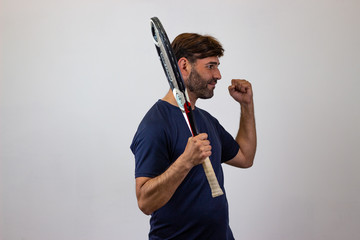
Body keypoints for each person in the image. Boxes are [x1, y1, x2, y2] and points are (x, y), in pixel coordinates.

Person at [130, 33, 257, 240]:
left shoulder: (205, 120)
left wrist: (247, 105)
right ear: (184, 66)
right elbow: (145, 202)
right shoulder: (154, 125)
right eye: (210, 66)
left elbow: (245, 157)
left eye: (217, 66)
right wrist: (186, 162)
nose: (218, 75)